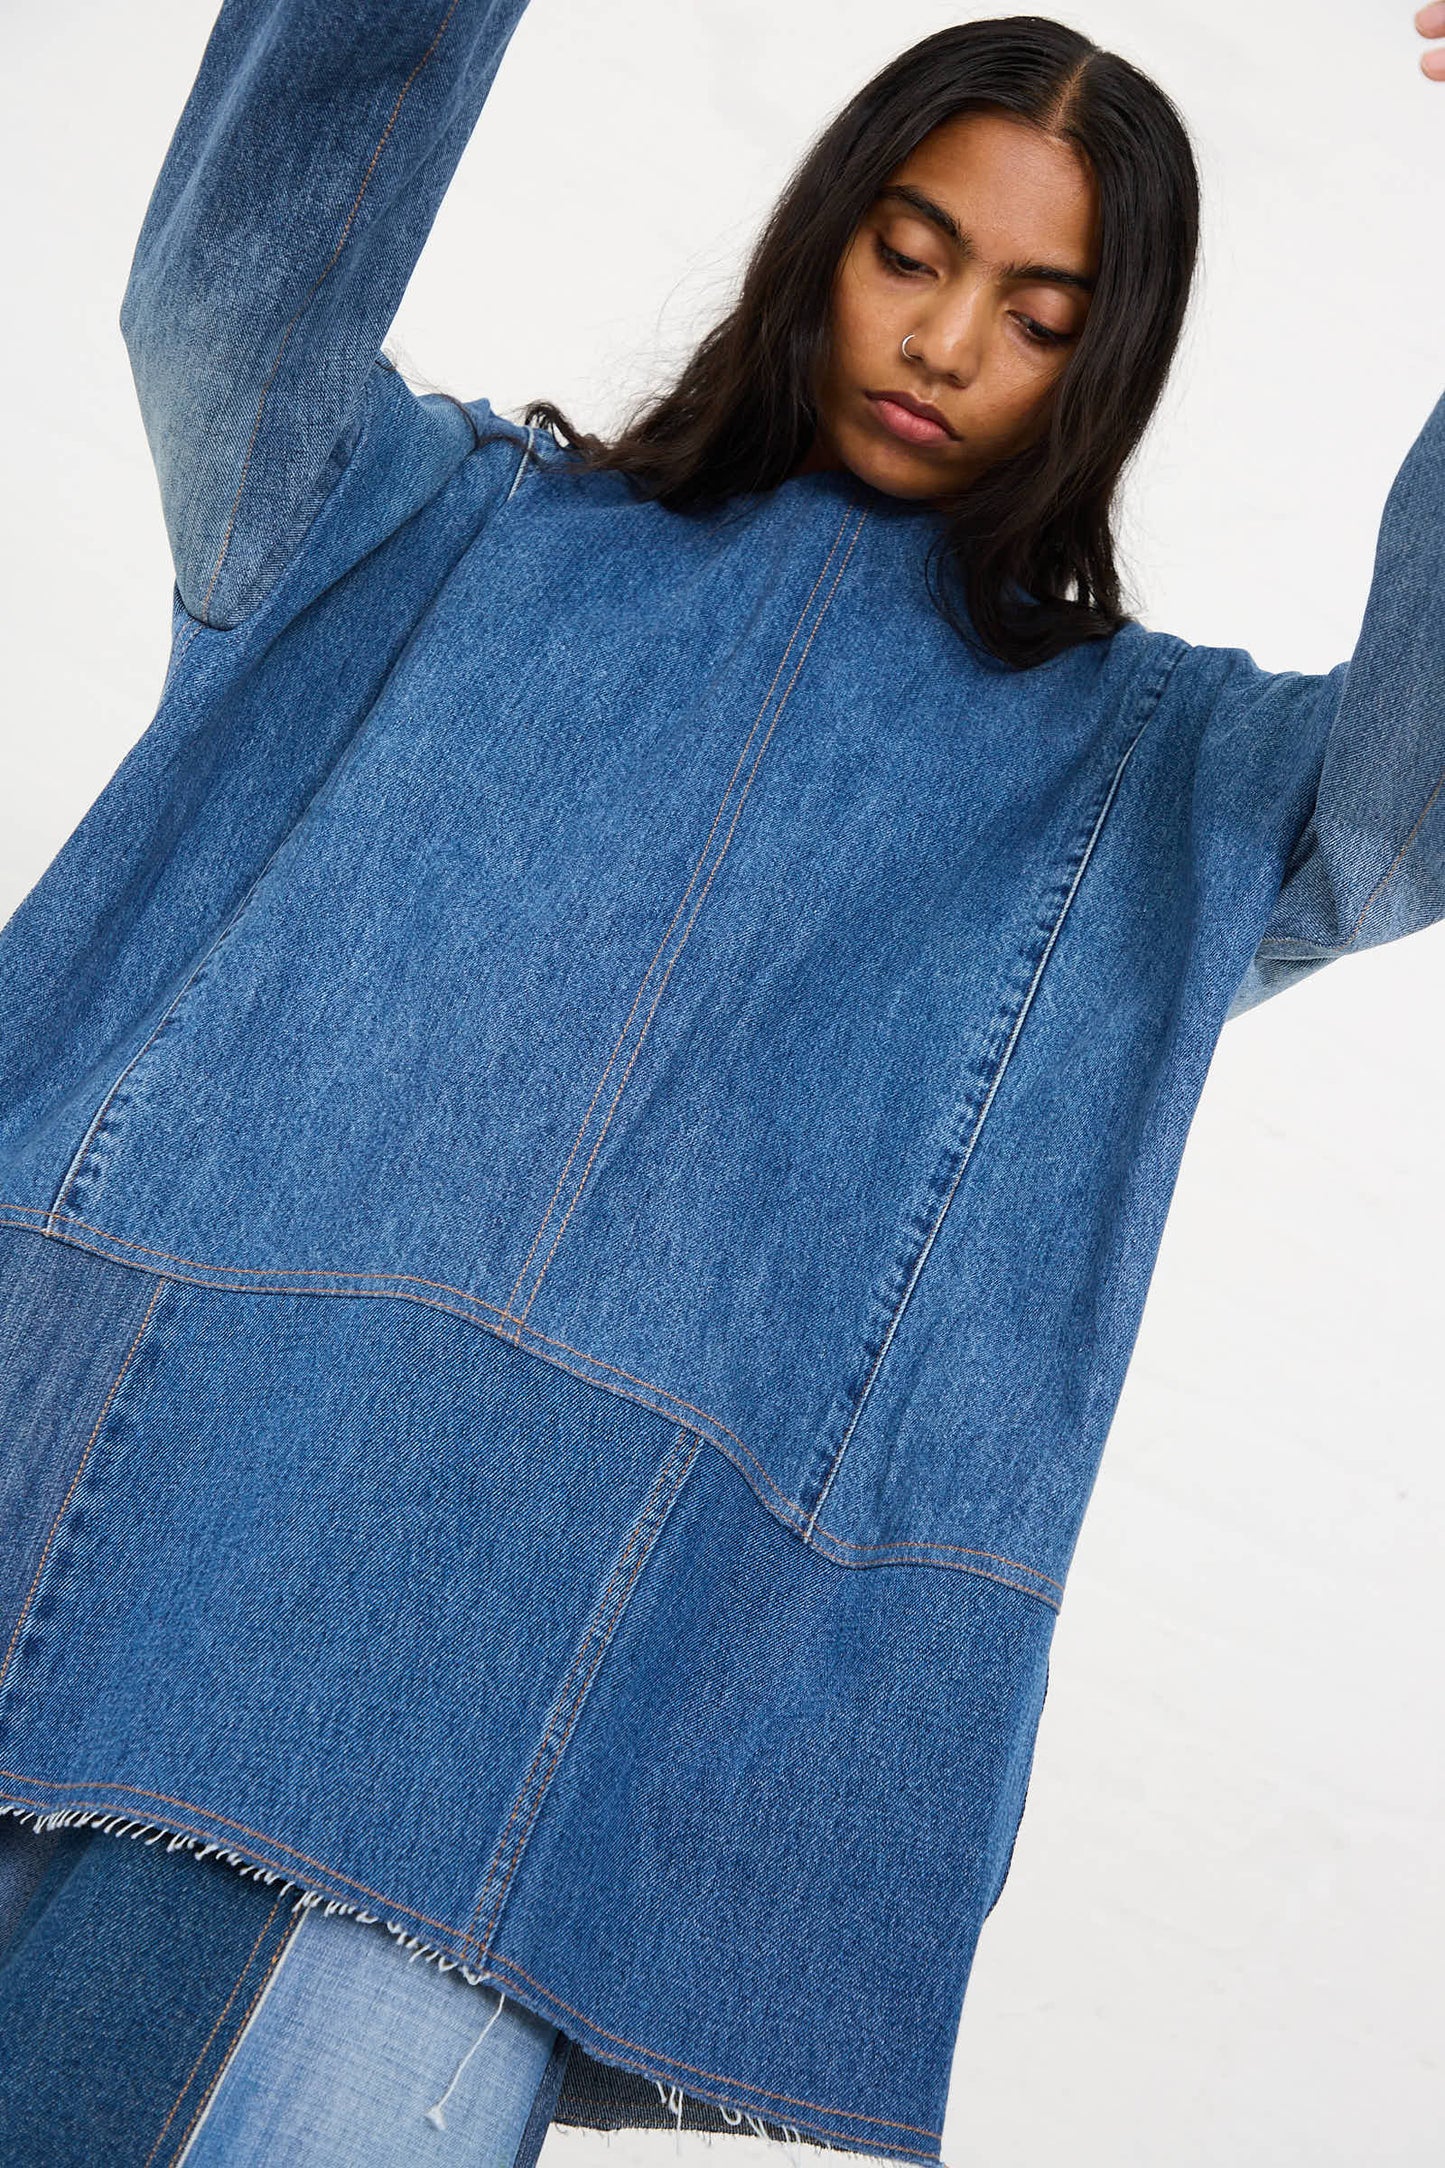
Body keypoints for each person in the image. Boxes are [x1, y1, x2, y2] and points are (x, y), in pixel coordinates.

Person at [0, 3, 1441, 2162]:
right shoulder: (405, 528)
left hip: (488, 1776)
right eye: (910, 246)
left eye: (1037, 312)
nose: (947, 338)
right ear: (821, 232)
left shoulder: (1144, 795)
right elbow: (224, 290)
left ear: (1105, 365)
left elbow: (1412, 808)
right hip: (91, 1549)